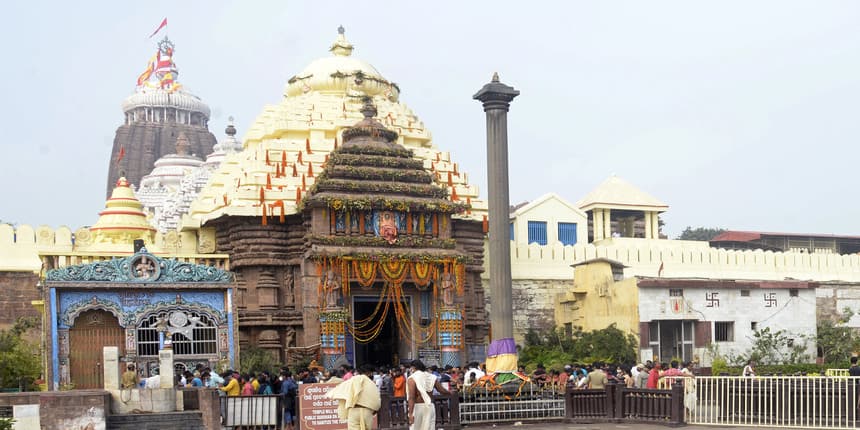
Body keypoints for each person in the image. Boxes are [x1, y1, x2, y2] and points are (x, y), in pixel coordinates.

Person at [326, 364, 381, 430]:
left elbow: (342, 390)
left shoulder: (352, 380)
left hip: (353, 411)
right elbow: (377, 401)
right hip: (367, 411)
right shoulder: (372, 384)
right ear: (369, 373)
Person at [407, 359, 452, 430]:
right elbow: (442, 390)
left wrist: (410, 414)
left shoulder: (412, 379)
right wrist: (451, 392)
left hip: (418, 407)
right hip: (430, 407)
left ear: (413, 368)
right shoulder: (432, 377)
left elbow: (411, 397)